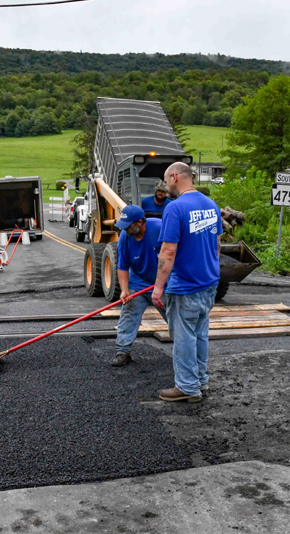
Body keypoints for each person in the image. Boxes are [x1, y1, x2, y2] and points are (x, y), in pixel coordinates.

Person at [151, 162, 222, 402]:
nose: (165, 186)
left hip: (186, 287)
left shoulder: (175, 208)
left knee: (184, 337)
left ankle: (187, 386)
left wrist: (158, 286)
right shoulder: (211, 205)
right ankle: (201, 380)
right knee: (200, 335)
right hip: (209, 284)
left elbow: (168, 252)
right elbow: (217, 246)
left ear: (174, 177)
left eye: (165, 180)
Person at [111, 205, 166, 367]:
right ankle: (123, 351)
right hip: (139, 283)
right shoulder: (125, 237)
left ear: (140, 222)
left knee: (175, 316)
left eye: (128, 225)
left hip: (163, 283)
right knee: (129, 312)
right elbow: (122, 266)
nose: (125, 229)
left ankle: (183, 352)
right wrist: (124, 290)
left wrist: (162, 284)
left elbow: (175, 253)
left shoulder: (160, 228)